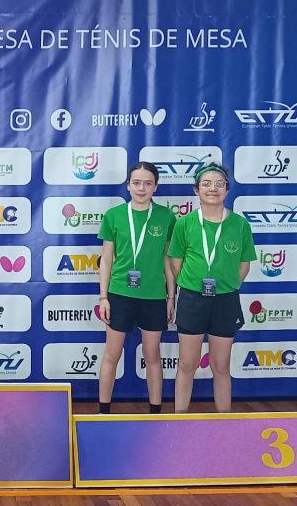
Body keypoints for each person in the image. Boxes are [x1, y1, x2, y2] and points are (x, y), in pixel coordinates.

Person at [167, 163, 256, 413]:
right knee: (187, 364)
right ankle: (179, 420)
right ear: (197, 190)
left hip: (225, 301)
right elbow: (176, 263)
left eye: (219, 184)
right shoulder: (185, 223)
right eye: (206, 184)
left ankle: (224, 422)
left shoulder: (240, 224)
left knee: (221, 366)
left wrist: (227, 285)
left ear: (226, 189)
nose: (212, 189)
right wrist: (192, 283)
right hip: (192, 300)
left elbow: (244, 265)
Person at [97, 162, 177, 414]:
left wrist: (171, 297)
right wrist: (103, 297)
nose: (142, 188)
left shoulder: (166, 217)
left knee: (152, 355)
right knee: (112, 354)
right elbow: (106, 259)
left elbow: (168, 260)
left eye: (148, 183)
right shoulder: (114, 215)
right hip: (120, 293)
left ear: (155, 187)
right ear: (128, 185)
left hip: (153, 296)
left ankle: (155, 413)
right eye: (137, 183)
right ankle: (103, 412)